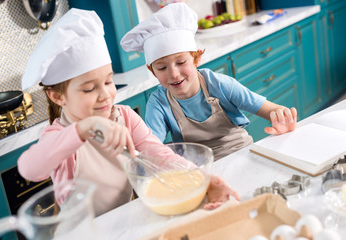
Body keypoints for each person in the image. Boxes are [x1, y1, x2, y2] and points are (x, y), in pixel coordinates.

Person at [18, 8, 240, 217]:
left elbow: (160, 156)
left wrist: (204, 180)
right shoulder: (59, 135)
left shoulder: (124, 117)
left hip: (124, 221)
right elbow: (30, 168)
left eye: (108, 81)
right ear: (57, 97)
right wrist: (83, 128)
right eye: (89, 88)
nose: (105, 94)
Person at [120, 3, 297, 160]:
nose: (173, 74)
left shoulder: (219, 84)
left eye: (181, 63)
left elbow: (272, 110)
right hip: (197, 170)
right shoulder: (158, 103)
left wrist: (283, 118)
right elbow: (152, 147)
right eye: (161, 68)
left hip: (240, 155)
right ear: (152, 71)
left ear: (196, 59)